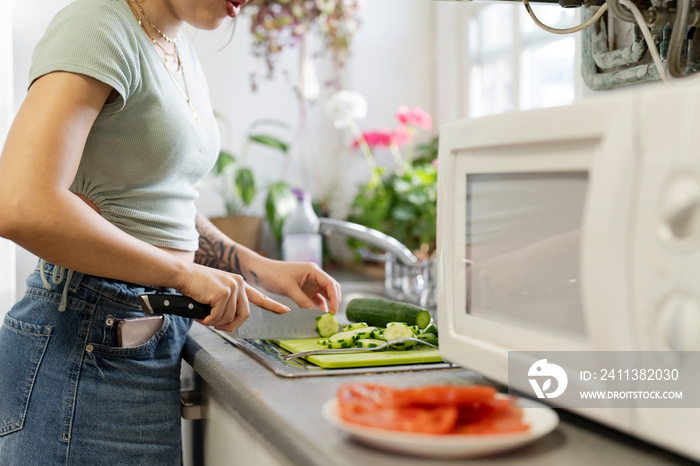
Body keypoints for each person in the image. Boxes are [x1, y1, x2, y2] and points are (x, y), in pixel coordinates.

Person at [0, 0, 341, 463]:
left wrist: (257, 266)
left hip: (139, 337)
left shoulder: (177, 48)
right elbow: (20, 204)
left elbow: (153, 206)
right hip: (84, 339)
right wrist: (181, 276)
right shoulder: (97, 25)